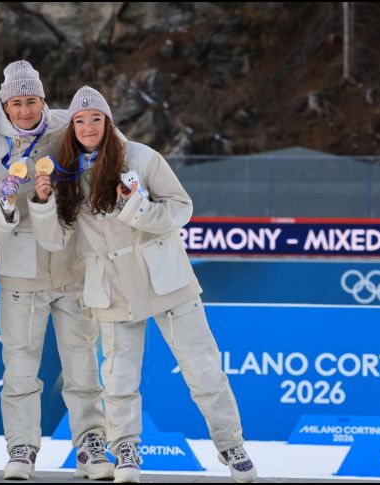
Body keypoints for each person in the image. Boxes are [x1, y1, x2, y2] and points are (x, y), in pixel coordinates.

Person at [30, 85, 258, 483]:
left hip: (166, 280)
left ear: (108, 121)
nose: (87, 127)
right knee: (119, 379)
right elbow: (53, 239)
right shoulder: (65, 172)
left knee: (203, 368)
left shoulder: (141, 157)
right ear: (72, 127)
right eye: (80, 120)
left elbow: (181, 209)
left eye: (95, 118)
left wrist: (137, 204)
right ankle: (126, 451)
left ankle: (231, 444)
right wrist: (44, 201)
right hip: (112, 288)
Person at [0, 61, 112, 481]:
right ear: (4, 104)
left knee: (83, 366)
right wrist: (5, 205)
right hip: (21, 277)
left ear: (43, 100)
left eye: (32, 101)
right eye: (16, 103)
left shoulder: (66, 126)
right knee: (19, 369)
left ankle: (91, 444)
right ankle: (21, 447)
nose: (25, 111)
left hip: (72, 267)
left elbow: (112, 142)